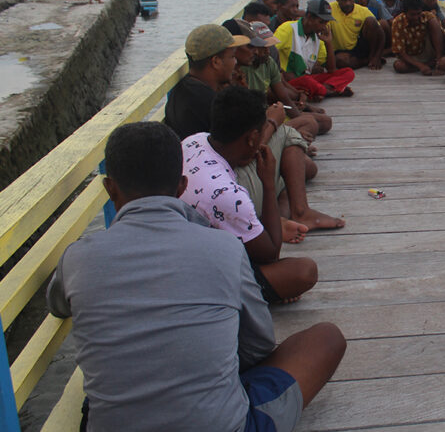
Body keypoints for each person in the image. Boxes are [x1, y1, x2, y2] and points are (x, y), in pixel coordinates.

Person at [47, 121, 345, 430]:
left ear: (109, 188)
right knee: (326, 338)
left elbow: (57, 304)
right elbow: (258, 345)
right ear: (181, 187)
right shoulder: (225, 248)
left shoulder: (77, 257)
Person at [179, 87, 334, 304]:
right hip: (203, 277)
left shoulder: (193, 140)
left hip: (189, 246)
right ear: (253, 138)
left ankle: (265, 226)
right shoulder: (229, 196)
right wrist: (268, 183)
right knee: (303, 272)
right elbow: (271, 254)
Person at [223, 18, 329, 140]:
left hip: (262, 122)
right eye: (252, 47)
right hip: (256, 128)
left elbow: (283, 94)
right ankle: (291, 139)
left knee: (322, 122)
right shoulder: (237, 72)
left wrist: (300, 111)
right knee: (309, 124)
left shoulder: (267, 62)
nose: (260, 51)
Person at [165, 24, 249, 139]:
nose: (235, 62)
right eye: (232, 56)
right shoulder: (211, 103)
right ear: (215, 62)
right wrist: (273, 121)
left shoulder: (182, 89)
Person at [275, 0, 356, 99]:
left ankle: (322, 90)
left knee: (348, 72)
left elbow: (331, 69)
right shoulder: (288, 29)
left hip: (308, 79)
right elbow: (270, 50)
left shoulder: (318, 37)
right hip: (291, 82)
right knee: (307, 81)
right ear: (309, 17)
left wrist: (328, 43)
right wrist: (280, 71)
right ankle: (328, 91)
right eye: (321, 22)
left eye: (326, 23)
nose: (324, 27)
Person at [391, 0, 445, 76]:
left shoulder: (427, 16)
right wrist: (420, 65)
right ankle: (429, 65)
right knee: (398, 66)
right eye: (412, 15)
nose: (416, 17)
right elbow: (400, 52)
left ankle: (438, 61)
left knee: (433, 22)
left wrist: (441, 58)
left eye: (418, 13)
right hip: (411, 56)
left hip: (429, 52)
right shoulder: (398, 22)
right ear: (405, 12)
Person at [329, 0, 385, 70]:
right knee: (340, 61)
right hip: (340, 50)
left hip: (358, 46)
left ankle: (372, 57)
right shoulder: (329, 10)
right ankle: (367, 61)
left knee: (371, 21)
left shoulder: (363, 11)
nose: (348, 3)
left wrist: (377, 56)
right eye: (344, 0)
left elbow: (380, 33)